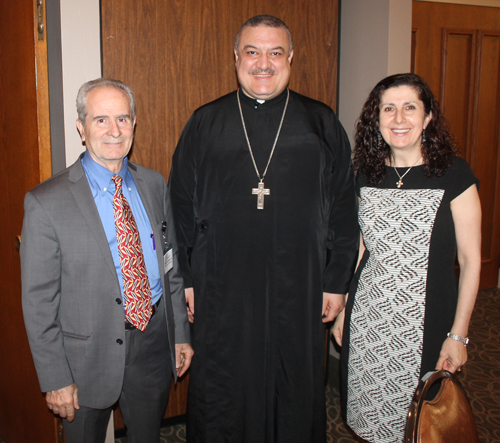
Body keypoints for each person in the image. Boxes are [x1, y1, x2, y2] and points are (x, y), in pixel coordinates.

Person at [169, 14, 359, 443]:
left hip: (301, 286)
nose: (263, 63)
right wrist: (186, 280)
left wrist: (336, 281)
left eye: (275, 53)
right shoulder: (205, 122)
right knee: (224, 387)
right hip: (222, 288)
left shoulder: (320, 122)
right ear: (236, 57)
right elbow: (178, 205)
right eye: (252, 52)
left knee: (292, 384)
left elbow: (345, 209)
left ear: (290, 58)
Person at [21, 78, 194, 443]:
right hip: (85, 356)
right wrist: (56, 378)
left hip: (152, 344)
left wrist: (179, 333)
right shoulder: (45, 202)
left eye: (123, 119)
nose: (114, 131)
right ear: (82, 128)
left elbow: (170, 265)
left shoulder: (154, 183)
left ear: (134, 124)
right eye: (101, 120)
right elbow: (39, 303)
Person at [332, 73, 482, 443]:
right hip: (369, 317)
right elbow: (362, 248)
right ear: (376, 118)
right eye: (389, 109)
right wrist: (345, 308)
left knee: (420, 424)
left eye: (409, 107)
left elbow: (471, 259)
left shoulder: (454, 174)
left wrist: (458, 335)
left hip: (427, 320)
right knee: (368, 417)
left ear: (428, 116)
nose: (399, 119)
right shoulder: (367, 173)